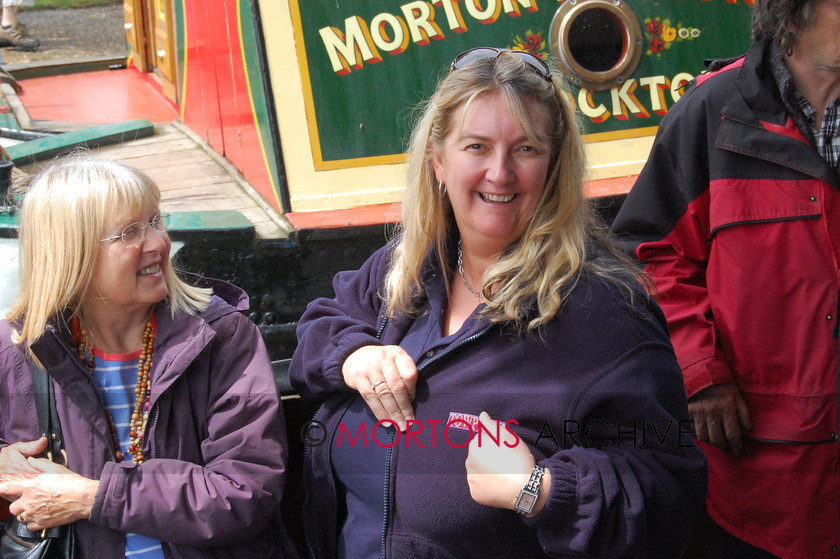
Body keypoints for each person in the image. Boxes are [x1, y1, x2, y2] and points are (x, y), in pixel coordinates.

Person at [289, 47, 707, 558]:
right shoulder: (408, 267)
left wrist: (543, 491)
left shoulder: (606, 313)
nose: (500, 173)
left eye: (526, 149)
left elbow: (669, 495)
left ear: (553, 168)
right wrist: (355, 355)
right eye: (476, 146)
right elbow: (318, 329)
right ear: (438, 161)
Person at [610, 0, 840, 557]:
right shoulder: (712, 113)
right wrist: (701, 372)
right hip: (769, 472)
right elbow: (646, 253)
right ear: (794, 10)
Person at [0, 158, 291, 557]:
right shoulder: (15, 348)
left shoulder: (221, 338)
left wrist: (93, 496)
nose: (158, 243)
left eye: (156, 221)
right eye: (129, 233)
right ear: (71, 252)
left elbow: (244, 491)